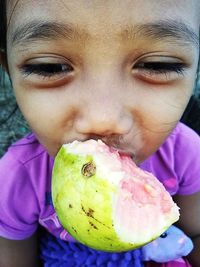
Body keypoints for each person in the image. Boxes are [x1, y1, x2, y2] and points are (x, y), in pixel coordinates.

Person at [0, 0, 200, 266]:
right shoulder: (17, 180)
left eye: (157, 64)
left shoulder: (187, 154)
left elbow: (195, 233)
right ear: (9, 70)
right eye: (50, 67)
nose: (103, 120)